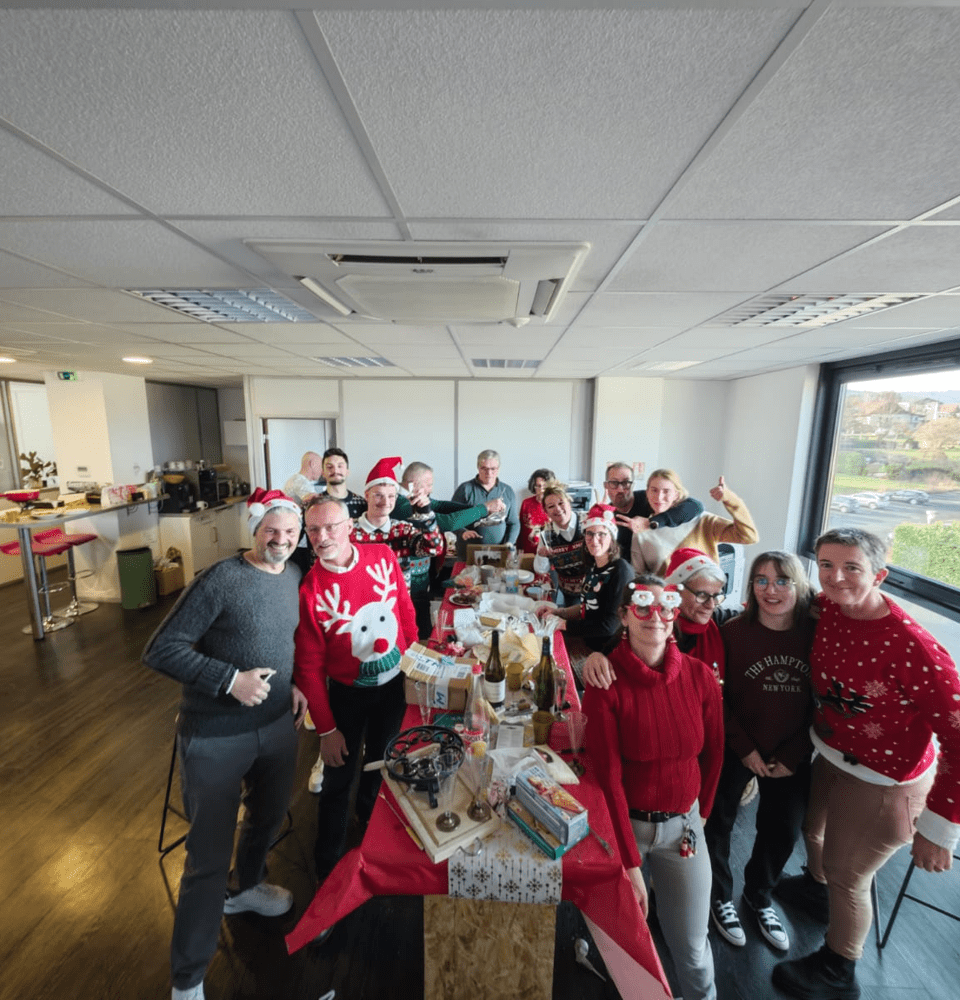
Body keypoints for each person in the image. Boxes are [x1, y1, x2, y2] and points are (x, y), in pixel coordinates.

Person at [773, 528, 960, 1000]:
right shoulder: (830, 608)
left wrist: (940, 829)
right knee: (811, 828)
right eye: (826, 565)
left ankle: (839, 967)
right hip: (833, 754)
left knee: (849, 874)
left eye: (851, 567)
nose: (835, 577)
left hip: (886, 780)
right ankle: (817, 889)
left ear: (879, 575)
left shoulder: (914, 647)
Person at [143, 489, 306, 1000]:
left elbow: (288, 641)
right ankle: (187, 979)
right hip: (215, 733)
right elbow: (160, 649)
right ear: (254, 530)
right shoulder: (221, 579)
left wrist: (296, 683)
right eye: (271, 530)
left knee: (266, 817)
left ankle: (245, 887)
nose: (281, 540)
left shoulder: (295, 575)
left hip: (277, 724)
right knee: (207, 857)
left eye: (290, 532)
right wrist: (229, 680)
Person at [584, 576, 723, 1000]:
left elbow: (715, 753)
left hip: (684, 829)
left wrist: (700, 816)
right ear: (624, 615)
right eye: (642, 606)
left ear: (675, 614)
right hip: (625, 827)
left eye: (665, 607)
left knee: (693, 949)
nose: (655, 617)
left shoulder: (699, 677)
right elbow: (608, 778)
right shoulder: (605, 683)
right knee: (625, 946)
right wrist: (629, 865)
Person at [294, 495, 418, 884]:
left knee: (381, 757)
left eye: (331, 527)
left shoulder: (382, 556)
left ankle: (368, 818)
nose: (322, 537)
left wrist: (415, 661)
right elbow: (309, 667)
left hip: (394, 684)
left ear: (350, 527)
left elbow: (404, 609)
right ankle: (327, 864)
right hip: (347, 695)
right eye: (313, 530)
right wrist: (326, 729)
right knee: (338, 776)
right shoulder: (311, 590)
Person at [704, 551, 816, 954]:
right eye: (762, 580)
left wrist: (794, 752)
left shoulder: (815, 634)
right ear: (750, 586)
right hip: (739, 744)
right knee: (717, 821)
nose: (771, 589)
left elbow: (823, 703)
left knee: (783, 828)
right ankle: (719, 896)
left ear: (799, 586)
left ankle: (759, 896)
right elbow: (717, 697)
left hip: (792, 751)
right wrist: (744, 747)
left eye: (783, 580)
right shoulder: (733, 633)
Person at [582, 547, 734, 686]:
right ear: (675, 591)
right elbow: (611, 651)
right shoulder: (653, 624)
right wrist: (597, 658)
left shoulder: (716, 619)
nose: (711, 605)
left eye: (716, 596)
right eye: (702, 595)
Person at [351, 456, 444, 638]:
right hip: (359, 613)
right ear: (367, 495)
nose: (386, 502)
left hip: (397, 612)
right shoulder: (349, 531)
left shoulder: (402, 529)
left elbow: (434, 548)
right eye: (378, 495)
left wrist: (426, 515)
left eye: (391, 496)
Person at [540, 503, 633, 665]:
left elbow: (609, 626)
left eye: (601, 534)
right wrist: (559, 612)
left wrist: (563, 624)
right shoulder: (593, 565)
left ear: (612, 537)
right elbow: (587, 607)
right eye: (589, 533)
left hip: (605, 653)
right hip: (587, 640)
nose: (594, 540)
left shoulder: (621, 570)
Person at [631, 475, 758, 576]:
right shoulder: (641, 531)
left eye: (666, 491)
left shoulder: (704, 521)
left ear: (676, 494)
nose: (659, 497)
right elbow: (639, 577)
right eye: (654, 490)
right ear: (647, 493)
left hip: (705, 597)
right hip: (666, 599)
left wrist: (730, 499)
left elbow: (749, 536)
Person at [604, 464, 704, 557]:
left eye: (626, 483)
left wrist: (651, 523)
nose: (620, 489)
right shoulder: (605, 515)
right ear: (606, 486)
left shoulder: (651, 498)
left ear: (633, 485)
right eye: (614, 483)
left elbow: (696, 506)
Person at [451, 449, 519, 560]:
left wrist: (509, 543)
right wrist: (462, 532)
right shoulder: (465, 489)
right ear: (478, 468)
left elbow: (514, 523)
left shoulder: (507, 491)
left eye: (493, 469)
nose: (489, 473)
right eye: (484, 468)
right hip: (468, 554)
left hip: (499, 554)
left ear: (498, 469)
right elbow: (452, 519)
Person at [536, 482, 587, 605]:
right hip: (569, 594)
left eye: (561, 503)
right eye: (551, 506)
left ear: (569, 502)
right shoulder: (547, 534)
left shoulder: (587, 522)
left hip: (594, 589)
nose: (557, 509)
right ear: (546, 512)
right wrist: (542, 556)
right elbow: (540, 569)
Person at [317, 447, 367, 519]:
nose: (335, 471)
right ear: (323, 473)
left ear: (347, 471)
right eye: (329, 467)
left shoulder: (361, 503)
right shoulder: (314, 504)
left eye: (340, 466)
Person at [517, 468, 554, 554]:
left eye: (545, 487)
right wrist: (519, 548)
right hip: (528, 551)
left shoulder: (555, 504)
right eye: (538, 486)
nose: (541, 490)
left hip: (548, 552)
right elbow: (521, 529)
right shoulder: (526, 503)